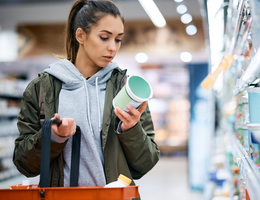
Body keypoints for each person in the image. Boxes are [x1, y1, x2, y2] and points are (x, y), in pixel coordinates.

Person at [13, 0, 160, 199]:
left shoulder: (126, 89)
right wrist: (54, 137)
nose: (112, 48)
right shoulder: (41, 90)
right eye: (104, 37)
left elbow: (145, 164)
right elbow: (24, 163)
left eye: (118, 39)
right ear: (80, 35)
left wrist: (131, 130)